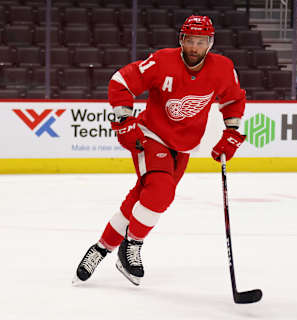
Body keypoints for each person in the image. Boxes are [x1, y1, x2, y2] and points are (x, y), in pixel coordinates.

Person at [73, 16, 247, 286]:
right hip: (151, 135)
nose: (194, 47)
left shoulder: (223, 69)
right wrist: (124, 121)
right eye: (190, 40)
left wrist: (232, 133)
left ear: (210, 43)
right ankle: (132, 246)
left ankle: (100, 249)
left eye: (200, 42)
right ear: (181, 39)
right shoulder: (162, 61)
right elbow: (121, 81)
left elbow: (233, 99)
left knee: (142, 197)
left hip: (184, 146)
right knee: (161, 191)